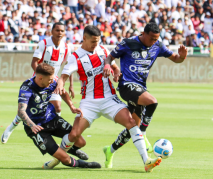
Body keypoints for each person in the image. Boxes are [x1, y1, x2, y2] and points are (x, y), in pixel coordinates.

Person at [44, 25, 161, 172]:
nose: (96, 44)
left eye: (98, 41)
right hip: (89, 102)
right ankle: (56, 158)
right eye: (93, 41)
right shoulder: (75, 57)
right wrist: (60, 85)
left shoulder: (103, 50)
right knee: (74, 134)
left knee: (131, 122)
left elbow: (115, 67)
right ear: (84, 38)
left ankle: (146, 161)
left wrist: (116, 73)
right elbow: (63, 77)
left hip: (109, 99)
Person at [103, 22, 188, 168]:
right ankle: (143, 131)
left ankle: (110, 151)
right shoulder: (128, 43)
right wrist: (107, 65)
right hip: (126, 86)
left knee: (132, 129)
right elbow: (109, 57)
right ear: (144, 34)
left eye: (156, 39)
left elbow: (175, 58)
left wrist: (182, 57)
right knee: (152, 102)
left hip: (140, 88)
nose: (154, 42)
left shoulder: (158, 46)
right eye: (152, 39)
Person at [1, 22, 74, 145]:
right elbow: (34, 62)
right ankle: (11, 127)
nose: (59, 33)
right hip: (39, 82)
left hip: (53, 81)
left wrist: (71, 85)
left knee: (58, 107)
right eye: (57, 30)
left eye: (62, 31)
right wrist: (40, 77)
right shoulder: (44, 44)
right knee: (29, 109)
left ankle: (49, 130)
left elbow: (69, 67)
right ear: (52, 31)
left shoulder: (66, 47)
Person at [17, 63, 100, 169]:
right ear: (40, 78)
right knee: (65, 159)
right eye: (50, 79)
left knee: (81, 142)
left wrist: (71, 106)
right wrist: (32, 125)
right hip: (36, 128)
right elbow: (21, 111)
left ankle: (60, 154)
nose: (52, 81)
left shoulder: (52, 81)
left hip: (51, 118)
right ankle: (83, 164)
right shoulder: (27, 87)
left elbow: (63, 93)